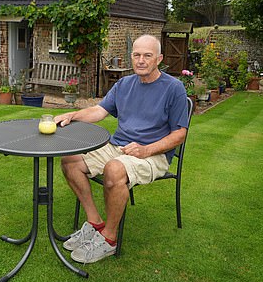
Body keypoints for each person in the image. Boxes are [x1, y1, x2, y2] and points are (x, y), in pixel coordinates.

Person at [54, 34, 189, 264]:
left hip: (153, 155)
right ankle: (95, 223)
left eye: (147, 56)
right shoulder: (124, 84)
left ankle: (109, 239)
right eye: (136, 55)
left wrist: (146, 150)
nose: (141, 60)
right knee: (70, 159)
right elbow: (99, 111)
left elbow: (180, 133)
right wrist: (72, 115)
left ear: (159, 59)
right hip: (119, 147)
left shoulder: (174, 88)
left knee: (114, 170)